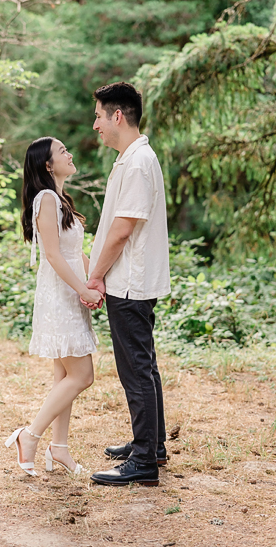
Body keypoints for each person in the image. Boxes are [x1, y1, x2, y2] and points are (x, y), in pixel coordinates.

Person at [84, 81, 171, 487]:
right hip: (131, 282)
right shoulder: (132, 158)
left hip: (129, 283)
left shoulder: (137, 162)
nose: (95, 124)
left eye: (99, 116)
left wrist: (96, 275)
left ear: (117, 115)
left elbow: (122, 230)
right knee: (144, 367)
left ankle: (143, 461)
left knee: (135, 370)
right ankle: (151, 446)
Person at [5, 136, 101, 476]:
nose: (69, 153)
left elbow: (75, 254)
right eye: (62, 151)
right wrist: (81, 289)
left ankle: (59, 448)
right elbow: (53, 254)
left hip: (70, 293)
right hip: (60, 298)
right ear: (48, 165)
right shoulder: (46, 199)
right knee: (82, 375)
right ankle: (29, 436)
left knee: (64, 375)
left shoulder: (59, 199)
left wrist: (95, 280)